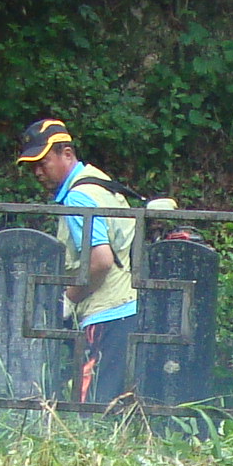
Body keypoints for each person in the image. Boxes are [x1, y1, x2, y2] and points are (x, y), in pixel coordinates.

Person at [12, 117, 139, 408]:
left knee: (92, 408)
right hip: (127, 307)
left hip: (105, 313)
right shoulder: (99, 183)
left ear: (66, 154)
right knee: (114, 403)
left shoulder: (79, 197)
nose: (38, 172)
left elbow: (100, 261)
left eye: (43, 162)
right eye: (33, 166)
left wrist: (68, 300)